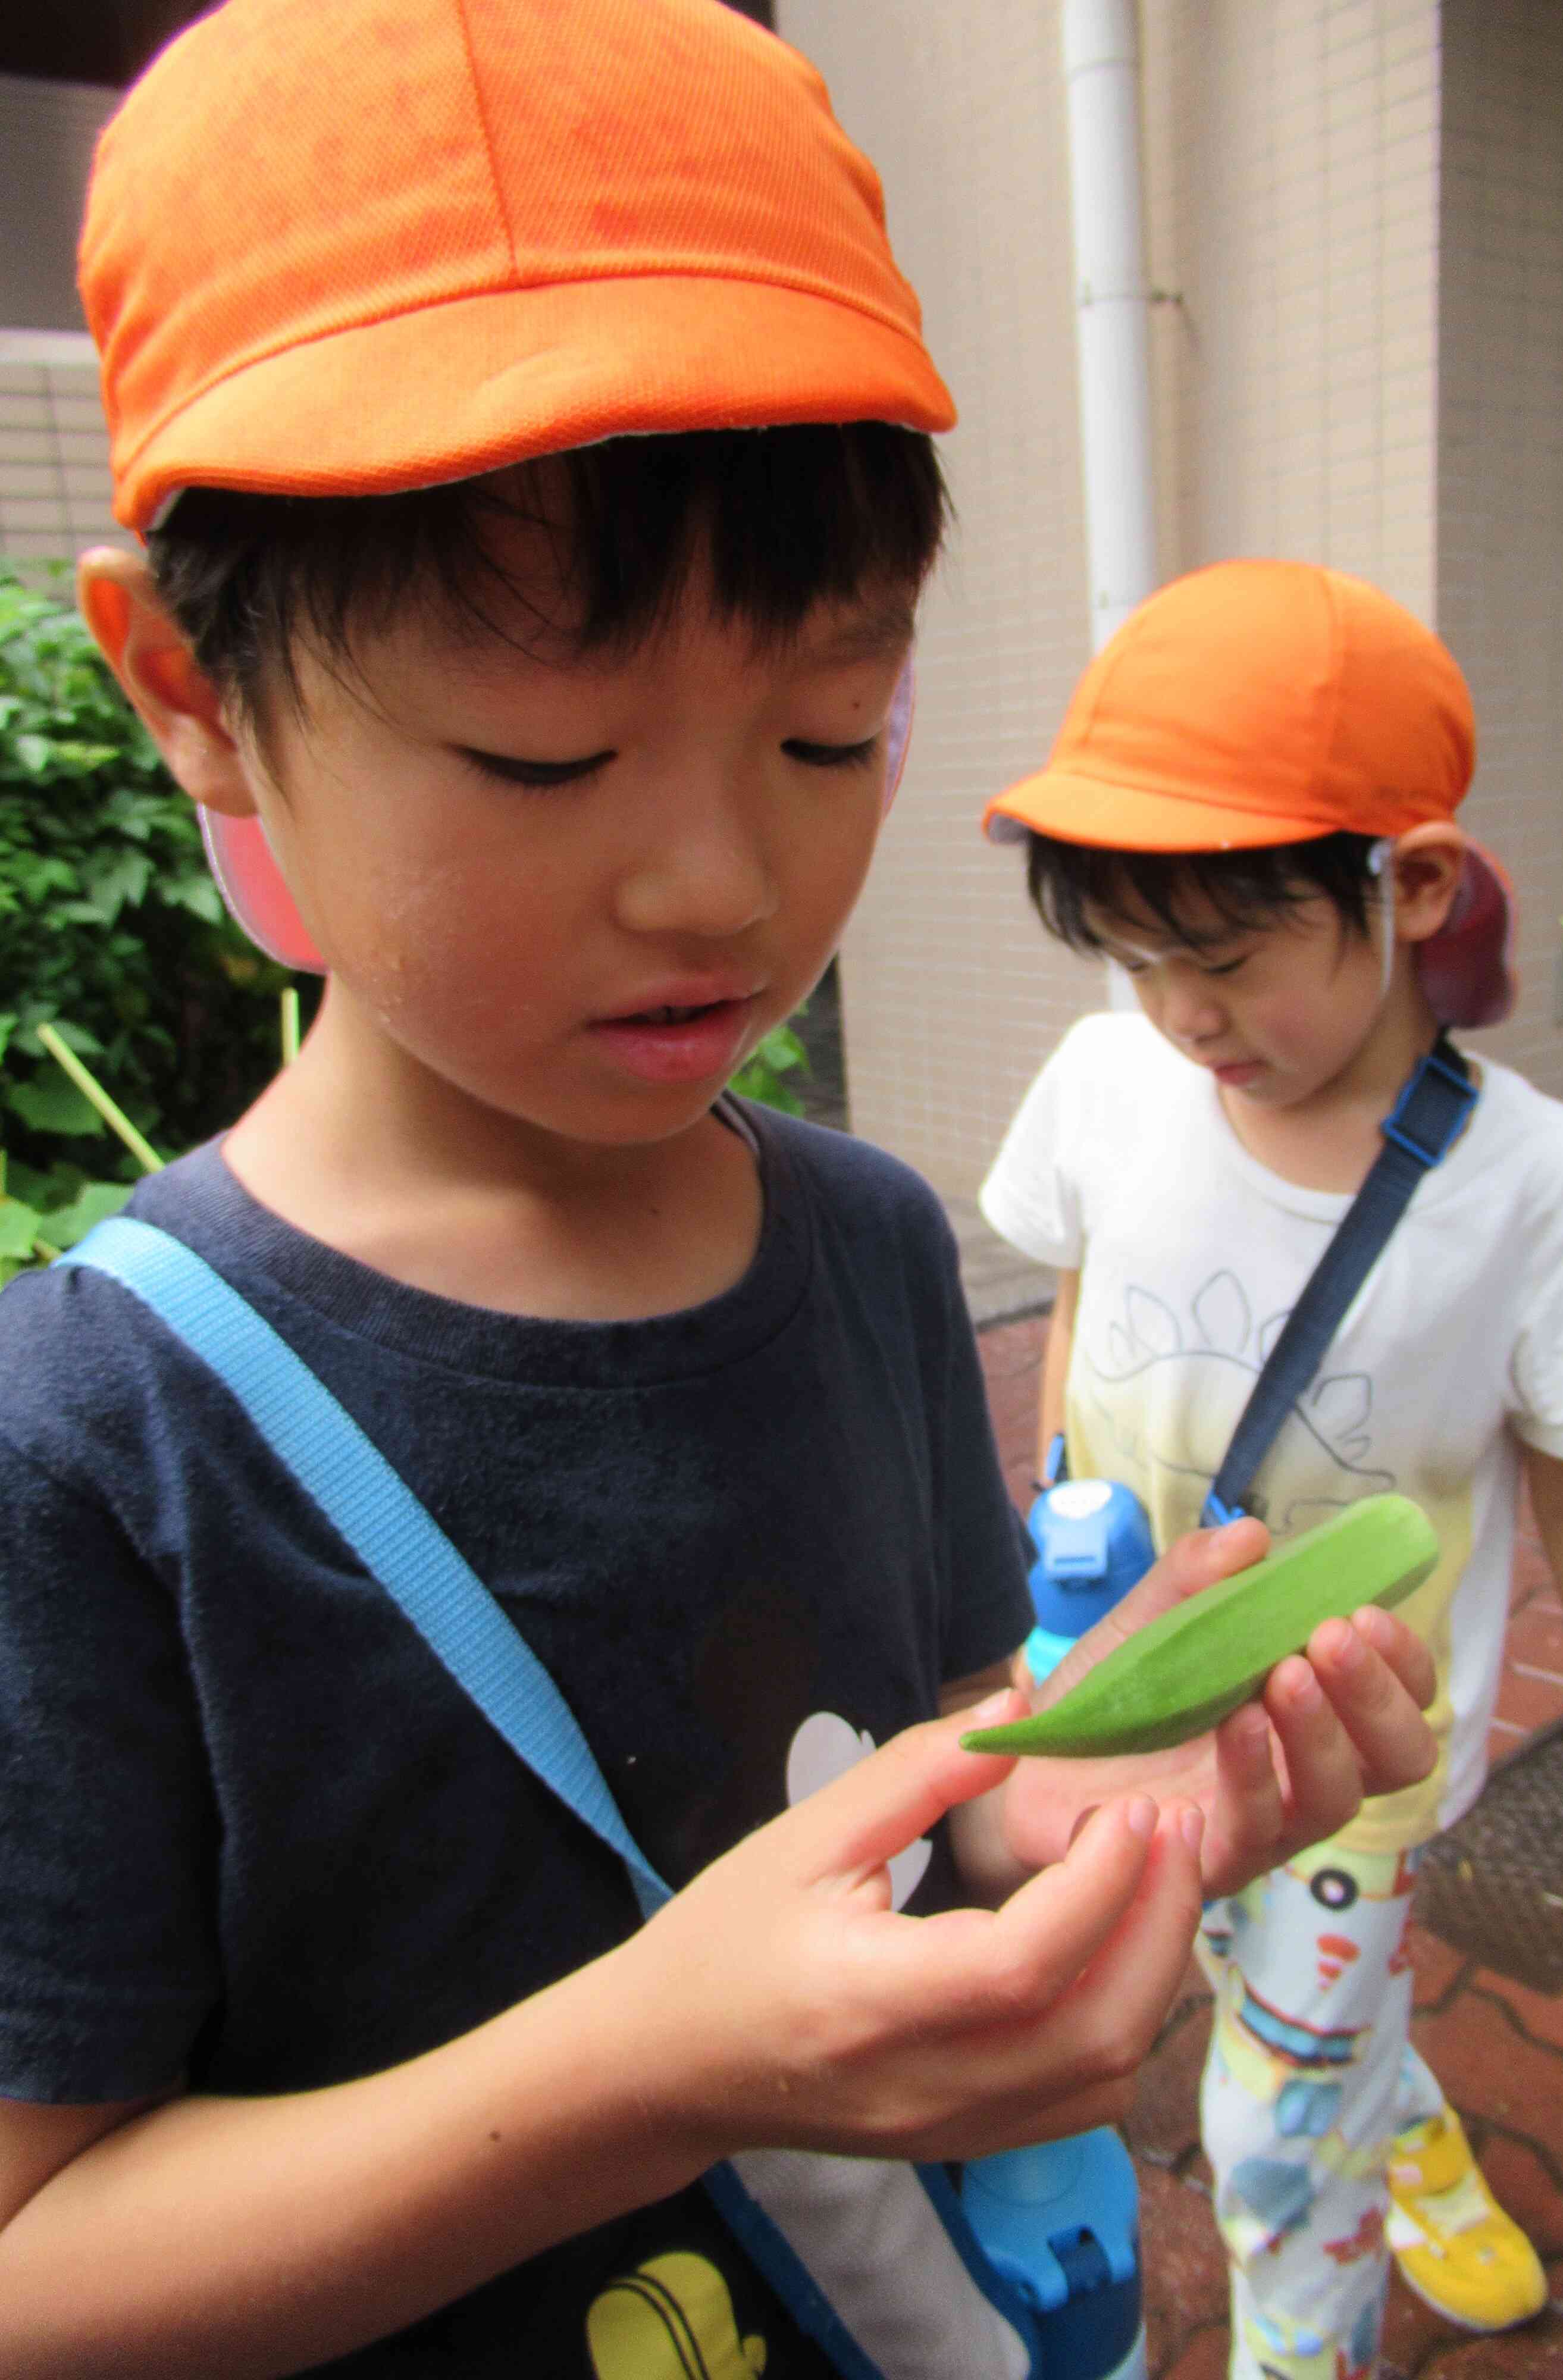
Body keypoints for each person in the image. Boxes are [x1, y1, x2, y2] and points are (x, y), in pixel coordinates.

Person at [0, 11, 1439, 2374]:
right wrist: (650, 2064)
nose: (721, 880)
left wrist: (1079, 1802)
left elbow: (926, 1761)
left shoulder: (867, 1246)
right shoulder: (89, 1448)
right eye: (542, 752)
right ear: (192, 689)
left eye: (827, 724)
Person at [978, 560, 1563, 2376]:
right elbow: (1081, 1302)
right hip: (1133, 1680)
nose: (1181, 1016)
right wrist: (1062, 1533)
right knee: (1249, 1998)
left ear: (1413, 885)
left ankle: (1316, 2299)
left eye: (1222, 958)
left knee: (1274, 2135)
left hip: (1356, 1766)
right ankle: (1389, 2092)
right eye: (1138, 962)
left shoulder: (1534, 1190)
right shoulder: (1105, 1081)